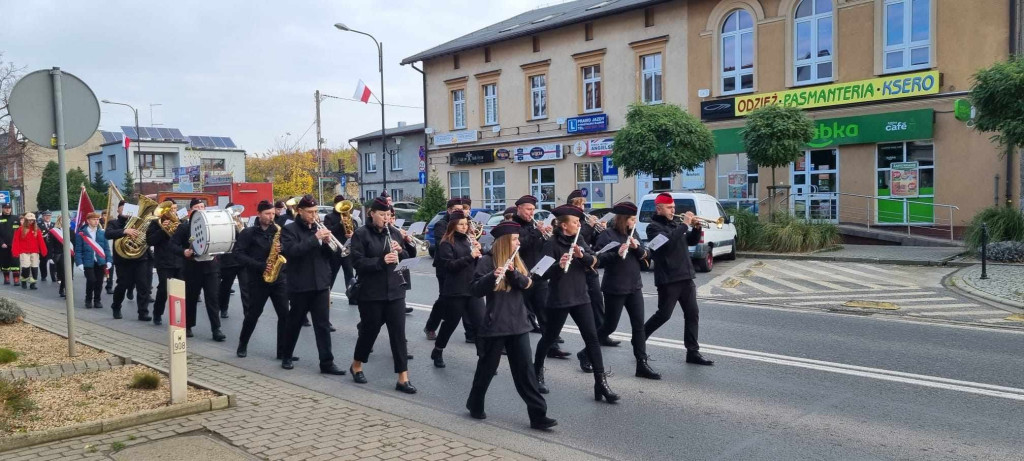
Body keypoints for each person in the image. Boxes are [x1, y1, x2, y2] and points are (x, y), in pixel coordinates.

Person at [467, 221, 557, 430]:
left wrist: (512, 273)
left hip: (518, 323)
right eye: (515, 239)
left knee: (525, 373)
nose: (519, 242)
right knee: (487, 369)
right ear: (505, 241)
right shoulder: (488, 261)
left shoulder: (517, 261)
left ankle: (538, 415)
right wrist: (493, 275)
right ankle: (475, 403)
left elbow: (528, 284)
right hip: (495, 324)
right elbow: (475, 290)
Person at [534, 204, 618, 403]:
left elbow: (594, 261)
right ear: (564, 226)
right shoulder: (551, 244)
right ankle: (536, 372)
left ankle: (601, 383)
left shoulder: (579, 239)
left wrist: (582, 256)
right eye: (574, 222)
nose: (578, 224)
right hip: (560, 298)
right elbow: (538, 274)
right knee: (549, 338)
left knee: (592, 339)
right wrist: (558, 265)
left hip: (581, 296)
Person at [349, 196, 416, 393]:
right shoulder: (361, 234)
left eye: (388, 215)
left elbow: (406, 258)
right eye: (382, 214)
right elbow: (357, 262)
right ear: (372, 214)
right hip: (371, 293)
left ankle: (403, 378)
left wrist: (404, 248)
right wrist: (380, 261)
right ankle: (356, 365)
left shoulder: (394, 232)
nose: (386, 218)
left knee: (398, 335)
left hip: (395, 292)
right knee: (369, 332)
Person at [278, 195, 347, 375]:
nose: (314, 216)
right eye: (310, 212)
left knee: (322, 325)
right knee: (294, 322)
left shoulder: (319, 228)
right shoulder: (289, 230)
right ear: (300, 211)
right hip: (300, 285)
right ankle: (286, 356)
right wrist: (315, 238)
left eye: (316, 212)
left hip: (321, 284)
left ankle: (327, 363)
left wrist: (326, 244)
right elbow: (292, 251)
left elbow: (330, 256)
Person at [644, 192, 714, 366]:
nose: (673, 210)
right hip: (669, 278)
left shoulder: (675, 224)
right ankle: (639, 339)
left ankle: (693, 352)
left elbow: (689, 241)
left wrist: (696, 228)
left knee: (692, 314)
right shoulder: (653, 227)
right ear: (659, 208)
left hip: (685, 276)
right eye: (669, 207)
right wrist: (684, 225)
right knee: (663, 315)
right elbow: (667, 244)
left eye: (674, 207)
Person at [592, 202, 660, 379]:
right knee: (609, 326)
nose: (634, 221)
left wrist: (637, 248)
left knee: (639, 327)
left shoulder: (633, 233)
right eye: (631, 218)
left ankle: (642, 364)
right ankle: (586, 352)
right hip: (615, 287)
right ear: (623, 219)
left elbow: (646, 257)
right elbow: (598, 259)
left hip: (635, 286)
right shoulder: (607, 234)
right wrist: (617, 251)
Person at [234, 200, 295, 361]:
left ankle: (282, 351)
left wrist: (284, 249)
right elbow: (238, 254)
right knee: (253, 314)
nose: (271, 217)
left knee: (285, 315)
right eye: (267, 214)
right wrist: (260, 266)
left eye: (273, 213)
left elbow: (290, 252)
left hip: (278, 279)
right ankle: (242, 344)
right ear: (259, 213)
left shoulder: (279, 231)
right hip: (258, 279)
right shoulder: (248, 233)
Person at [512, 195, 570, 357]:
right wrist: (537, 233)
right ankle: (504, 344)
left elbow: (541, 248)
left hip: (538, 275)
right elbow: (520, 246)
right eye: (529, 209)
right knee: (514, 312)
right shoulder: (512, 226)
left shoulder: (533, 225)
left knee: (545, 313)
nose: (531, 213)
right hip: (520, 275)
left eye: (533, 210)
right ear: (519, 208)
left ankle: (551, 347)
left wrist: (547, 236)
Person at [430, 210, 482, 368]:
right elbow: (450, 266)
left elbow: (479, 263)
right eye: (461, 224)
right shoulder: (446, 243)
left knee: (480, 324)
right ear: (453, 225)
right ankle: (438, 350)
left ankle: (484, 358)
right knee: (450, 323)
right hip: (455, 289)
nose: (464, 227)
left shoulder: (469, 240)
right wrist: (470, 256)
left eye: (466, 224)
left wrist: (481, 251)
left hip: (473, 287)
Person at [172, 198, 225, 341]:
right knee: (191, 298)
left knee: (213, 299)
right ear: (191, 211)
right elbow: (173, 245)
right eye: (197, 207)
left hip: (211, 267)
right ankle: (188, 326)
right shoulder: (184, 227)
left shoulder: (212, 224)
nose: (200, 209)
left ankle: (216, 329)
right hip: (192, 267)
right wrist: (184, 252)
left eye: (202, 207)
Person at [568, 190, 608, 339]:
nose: (583, 208)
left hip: (588, 263)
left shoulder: (584, 220)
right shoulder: (568, 221)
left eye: (584, 204)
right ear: (572, 204)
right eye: (580, 204)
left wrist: (601, 230)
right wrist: (589, 226)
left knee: (597, 299)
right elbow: (577, 238)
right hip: (576, 267)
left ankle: (602, 333)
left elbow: (592, 241)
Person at [106, 200, 152, 321]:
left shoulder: (139, 222)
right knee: (123, 285)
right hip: (123, 259)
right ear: (118, 210)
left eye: (129, 208)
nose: (127, 211)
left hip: (140, 258)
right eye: (123, 208)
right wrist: (124, 231)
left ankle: (143, 312)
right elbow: (108, 234)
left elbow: (149, 236)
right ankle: (116, 306)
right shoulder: (114, 223)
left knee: (143, 285)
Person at [423, 198, 463, 340]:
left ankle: (472, 333)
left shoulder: (463, 223)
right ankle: (430, 327)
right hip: (444, 267)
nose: (460, 211)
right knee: (444, 300)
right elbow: (442, 244)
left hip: (461, 266)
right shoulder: (442, 224)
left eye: (461, 209)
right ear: (449, 210)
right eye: (456, 209)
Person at [147, 203, 184, 326]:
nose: (173, 212)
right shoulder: (156, 223)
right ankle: (157, 313)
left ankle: (178, 316)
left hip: (179, 260)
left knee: (179, 290)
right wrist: (162, 230)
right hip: (163, 261)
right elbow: (150, 241)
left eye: (174, 209)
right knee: (164, 289)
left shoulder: (181, 222)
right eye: (170, 210)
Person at [217, 202, 249, 320]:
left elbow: (246, 239)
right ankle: (223, 308)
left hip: (242, 261)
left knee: (245, 288)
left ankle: (248, 312)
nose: (235, 215)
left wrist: (241, 228)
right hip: (228, 260)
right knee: (225, 287)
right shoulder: (222, 225)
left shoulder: (241, 223)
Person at [74, 212, 111, 310]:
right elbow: (78, 250)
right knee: (91, 280)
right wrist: (79, 263)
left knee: (99, 282)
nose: (96, 221)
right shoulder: (81, 234)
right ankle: (88, 299)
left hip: (100, 261)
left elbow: (106, 249)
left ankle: (97, 300)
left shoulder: (102, 233)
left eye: (97, 219)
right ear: (88, 221)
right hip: (88, 262)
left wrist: (109, 260)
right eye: (94, 219)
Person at [11, 212, 46, 290]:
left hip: (34, 251)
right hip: (24, 251)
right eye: (29, 220)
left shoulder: (37, 229)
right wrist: (15, 251)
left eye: (32, 220)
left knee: (34, 267)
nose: (31, 222)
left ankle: (33, 283)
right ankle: (24, 280)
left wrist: (43, 250)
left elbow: (40, 241)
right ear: (26, 220)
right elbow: (16, 241)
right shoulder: (20, 229)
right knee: (25, 267)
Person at [0, 203, 20, 285]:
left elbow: (20, 232)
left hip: (15, 245)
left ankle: (16, 279)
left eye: (9, 208)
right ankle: (6, 278)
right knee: (5, 263)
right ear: (2, 209)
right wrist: (1, 243)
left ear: (11, 209)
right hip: (3, 245)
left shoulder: (16, 218)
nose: (7, 209)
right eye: (5, 208)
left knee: (15, 262)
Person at [37, 211, 56, 282]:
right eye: (46, 216)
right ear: (43, 217)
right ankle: (43, 275)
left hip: (52, 247)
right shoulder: (39, 225)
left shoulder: (54, 225)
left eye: (49, 216)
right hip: (43, 246)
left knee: (53, 262)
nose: (47, 217)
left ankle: (54, 276)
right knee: (43, 262)